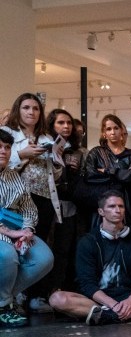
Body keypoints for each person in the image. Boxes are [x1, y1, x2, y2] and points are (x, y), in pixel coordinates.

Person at [49, 191, 131, 325]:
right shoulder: (87, 242)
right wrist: (113, 304)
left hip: (129, 296)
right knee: (56, 299)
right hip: (97, 298)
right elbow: (87, 284)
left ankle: (106, 315)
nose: (117, 210)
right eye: (112, 206)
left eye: (121, 206)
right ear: (101, 211)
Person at [1, 93, 62, 313]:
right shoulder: (8, 134)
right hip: (11, 198)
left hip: (42, 197)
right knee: (10, 251)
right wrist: (22, 153)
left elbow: (54, 175)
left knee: (35, 247)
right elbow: (5, 161)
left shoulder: (46, 136)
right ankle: (10, 298)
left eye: (36, 108)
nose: (31, 112)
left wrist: (56, 161)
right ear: (18, 109)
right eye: (26, 107)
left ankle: (28, 296)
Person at [0, 130, 54, 327]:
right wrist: (11, 233)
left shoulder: (14, 176)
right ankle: (5, 306)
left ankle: (3, 301)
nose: (3, 151)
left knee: (44, 258)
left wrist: (28, 230)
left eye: (6, 147)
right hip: (3, 232)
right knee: (6, 255)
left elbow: (28, 207)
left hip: (18, 228)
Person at [80, 115, 131, 231]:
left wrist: (108, 171)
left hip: (128, 206)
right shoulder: (96, 153)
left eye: (116, 128)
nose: (113, 132)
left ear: (122, 130)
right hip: (102, 206)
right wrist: (119, 177)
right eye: (108, 129)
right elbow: (89, 176)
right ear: (104, 133)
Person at [48, 109, 85, 294]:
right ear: (52, 125)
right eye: (61, 123)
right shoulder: (45, 146)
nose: (66, 126)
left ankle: (64, 288)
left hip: (71, 206)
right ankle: (48, 290)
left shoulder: (77, 151)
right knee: (50, 248)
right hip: (49, 205)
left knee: (67, 249)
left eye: (69, 123)